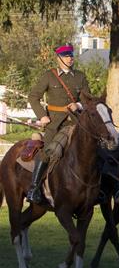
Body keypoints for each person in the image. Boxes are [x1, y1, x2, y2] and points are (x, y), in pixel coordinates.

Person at [25, 43, 91, 205]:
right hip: (55, 123)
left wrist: (79, 105)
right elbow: (33, 97)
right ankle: (34, 188)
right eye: (66, 56)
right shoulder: (49, 76)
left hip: (76, 123)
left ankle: (98, 189)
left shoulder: (80, 76)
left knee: (95, 150)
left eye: (71, 55)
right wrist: (42, 116)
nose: (70, 58)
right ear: (58, 58)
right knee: (48, 151)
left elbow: (88, 99)